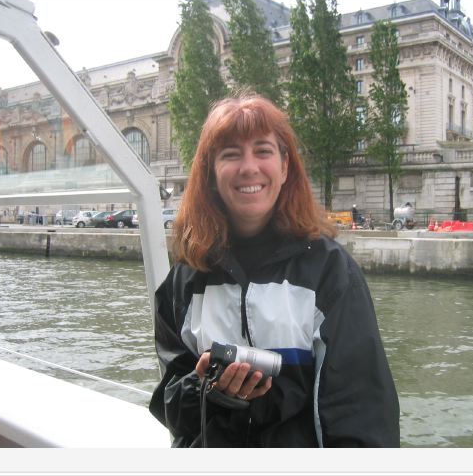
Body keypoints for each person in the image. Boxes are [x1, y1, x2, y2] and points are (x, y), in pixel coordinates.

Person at [149, 93, 400, 447]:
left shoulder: (329, 270)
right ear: (210, 174)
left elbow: (362, 413)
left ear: (285, 167)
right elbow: (171, 407)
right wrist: (208, 388)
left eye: (263, 151)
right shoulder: (184, 279)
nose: (249, 167)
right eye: (231, 154)